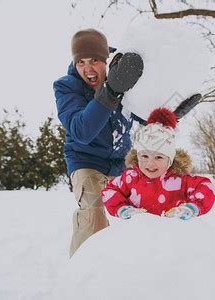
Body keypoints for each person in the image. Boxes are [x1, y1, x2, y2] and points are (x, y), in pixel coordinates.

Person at [53, 28, 144, 257]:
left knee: (139, 211)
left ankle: (134, 267)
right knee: (94, 214)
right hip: (85, 161)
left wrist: (173, 113)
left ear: (106, 60)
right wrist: (110, 91)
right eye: (80, 62)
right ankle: (84, 278)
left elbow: (146, 115)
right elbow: (81, 131)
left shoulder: (125, 80)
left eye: (94, 60)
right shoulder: (66, 87)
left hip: (119, 164)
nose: (87, 68)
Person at [102, 108, 215, 220]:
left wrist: (191, 207)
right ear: (137, 156)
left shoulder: (179, 180)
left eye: (159, 157)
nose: (150, 163)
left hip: (171, 235)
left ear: (169, 160)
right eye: (145, 156)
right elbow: (110, 190)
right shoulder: (131, 178)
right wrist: (123, 209)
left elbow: (206, 187)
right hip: (139, 233)